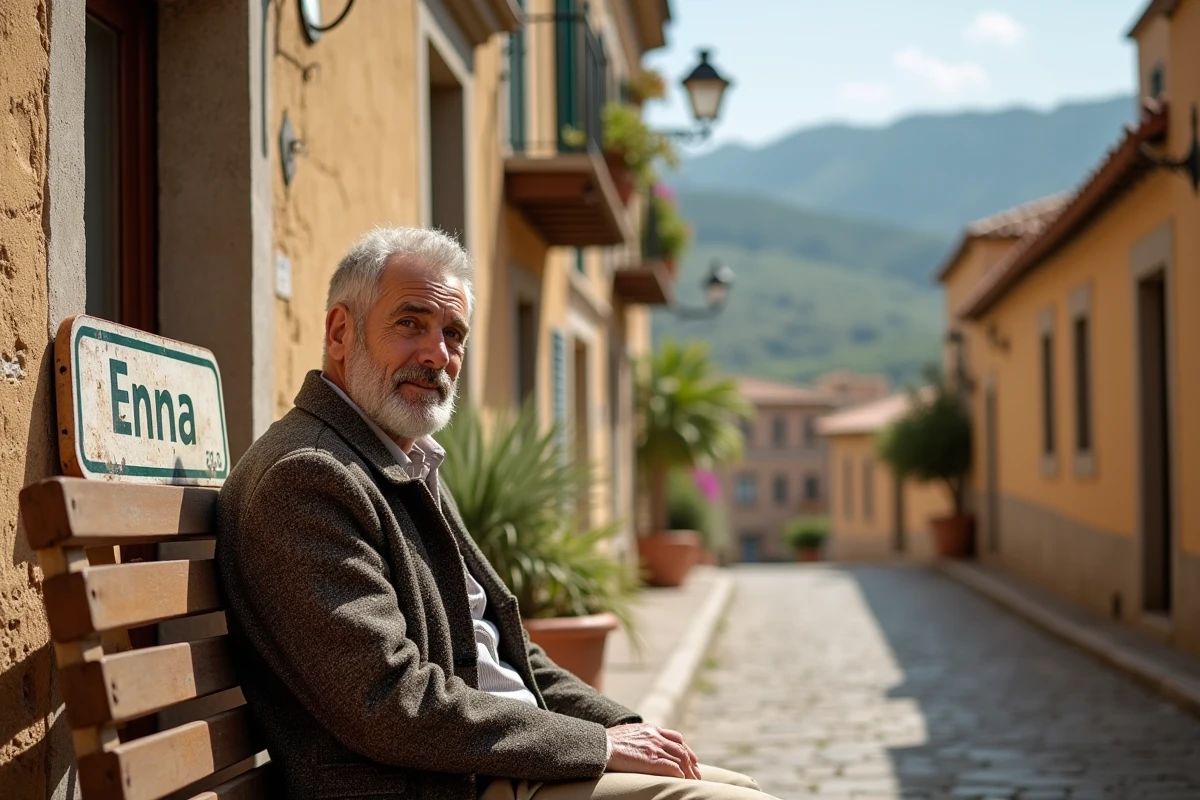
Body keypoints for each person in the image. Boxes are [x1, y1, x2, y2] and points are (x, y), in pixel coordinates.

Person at [216, 227, 773, 800]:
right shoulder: (309, 476)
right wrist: (599, 747)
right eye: (411, 323)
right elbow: (389, 699)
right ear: (340, 332)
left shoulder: (401, 459)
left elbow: (507, 652)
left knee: (736, 785)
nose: (438, 355)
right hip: (443, 786)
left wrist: (620, 726)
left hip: (498, 767)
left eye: (453, 333)